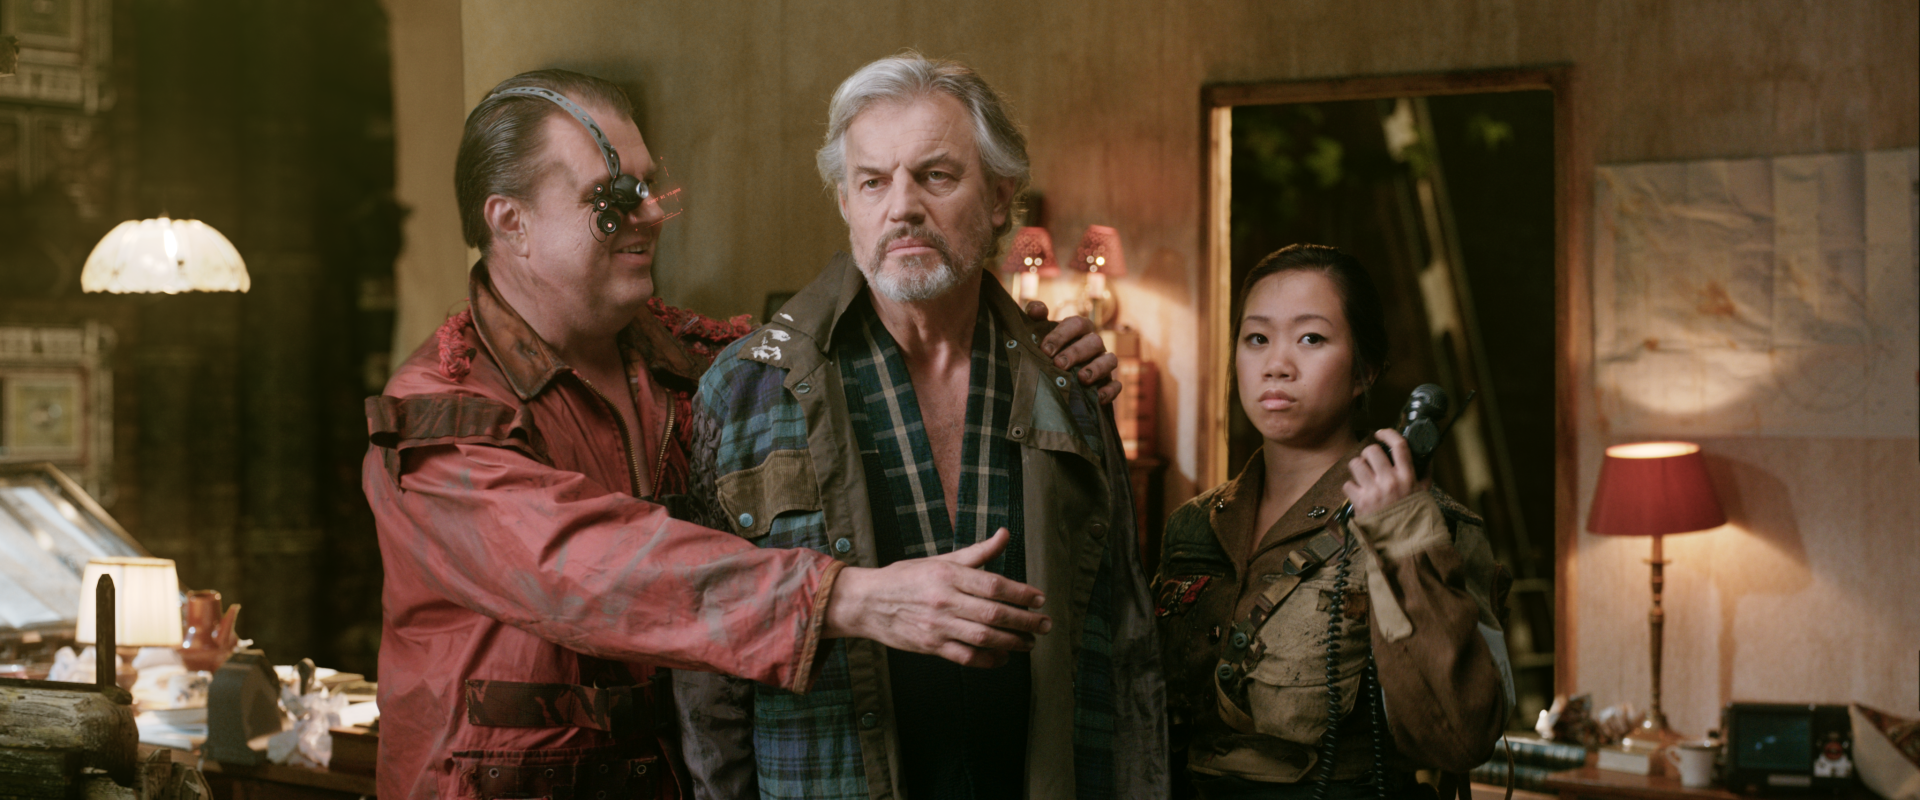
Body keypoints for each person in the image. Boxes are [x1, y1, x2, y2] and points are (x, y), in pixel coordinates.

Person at [363, 69, 1117, 800]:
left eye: (648, 187)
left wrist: (1028, 347)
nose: (650, 214)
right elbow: (582, 568)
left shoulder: (704, 368)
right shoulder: (440, 414)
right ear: (511, 222)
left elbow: (860, 342)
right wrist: (850, 598)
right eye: (610, 198)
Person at [672, 53, 1167, 800]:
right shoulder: (747, 389)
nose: (902, 206)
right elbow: (706, 666)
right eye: (873, 181)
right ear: (846, 202)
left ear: (999, 198)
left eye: (936, 176)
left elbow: (1124, 647)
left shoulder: (1067, 384)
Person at [1152, 244, 1513, 800]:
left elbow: (1461, 739)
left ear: (1364, 371)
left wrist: (1402, 535)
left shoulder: (1432, 525)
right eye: (1257, 338)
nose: (1277, 364)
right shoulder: (1193, 527)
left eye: (1311, 339)